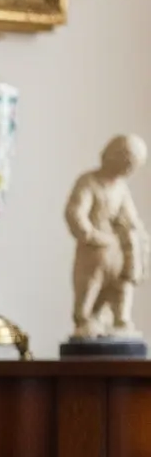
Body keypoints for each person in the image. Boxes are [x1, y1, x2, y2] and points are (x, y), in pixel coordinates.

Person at [67, 134, 150, 340]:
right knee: (89, 286)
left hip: (116, 250)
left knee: (121, 285)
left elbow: (130, 218)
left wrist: (139, 239)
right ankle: (84, 319)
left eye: (132, 165)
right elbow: (75, 212)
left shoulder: (120, 188)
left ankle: (120, 319)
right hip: (94, 250)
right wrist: (89, 234)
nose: (128, 168)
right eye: (126, 161)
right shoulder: (89, 182)